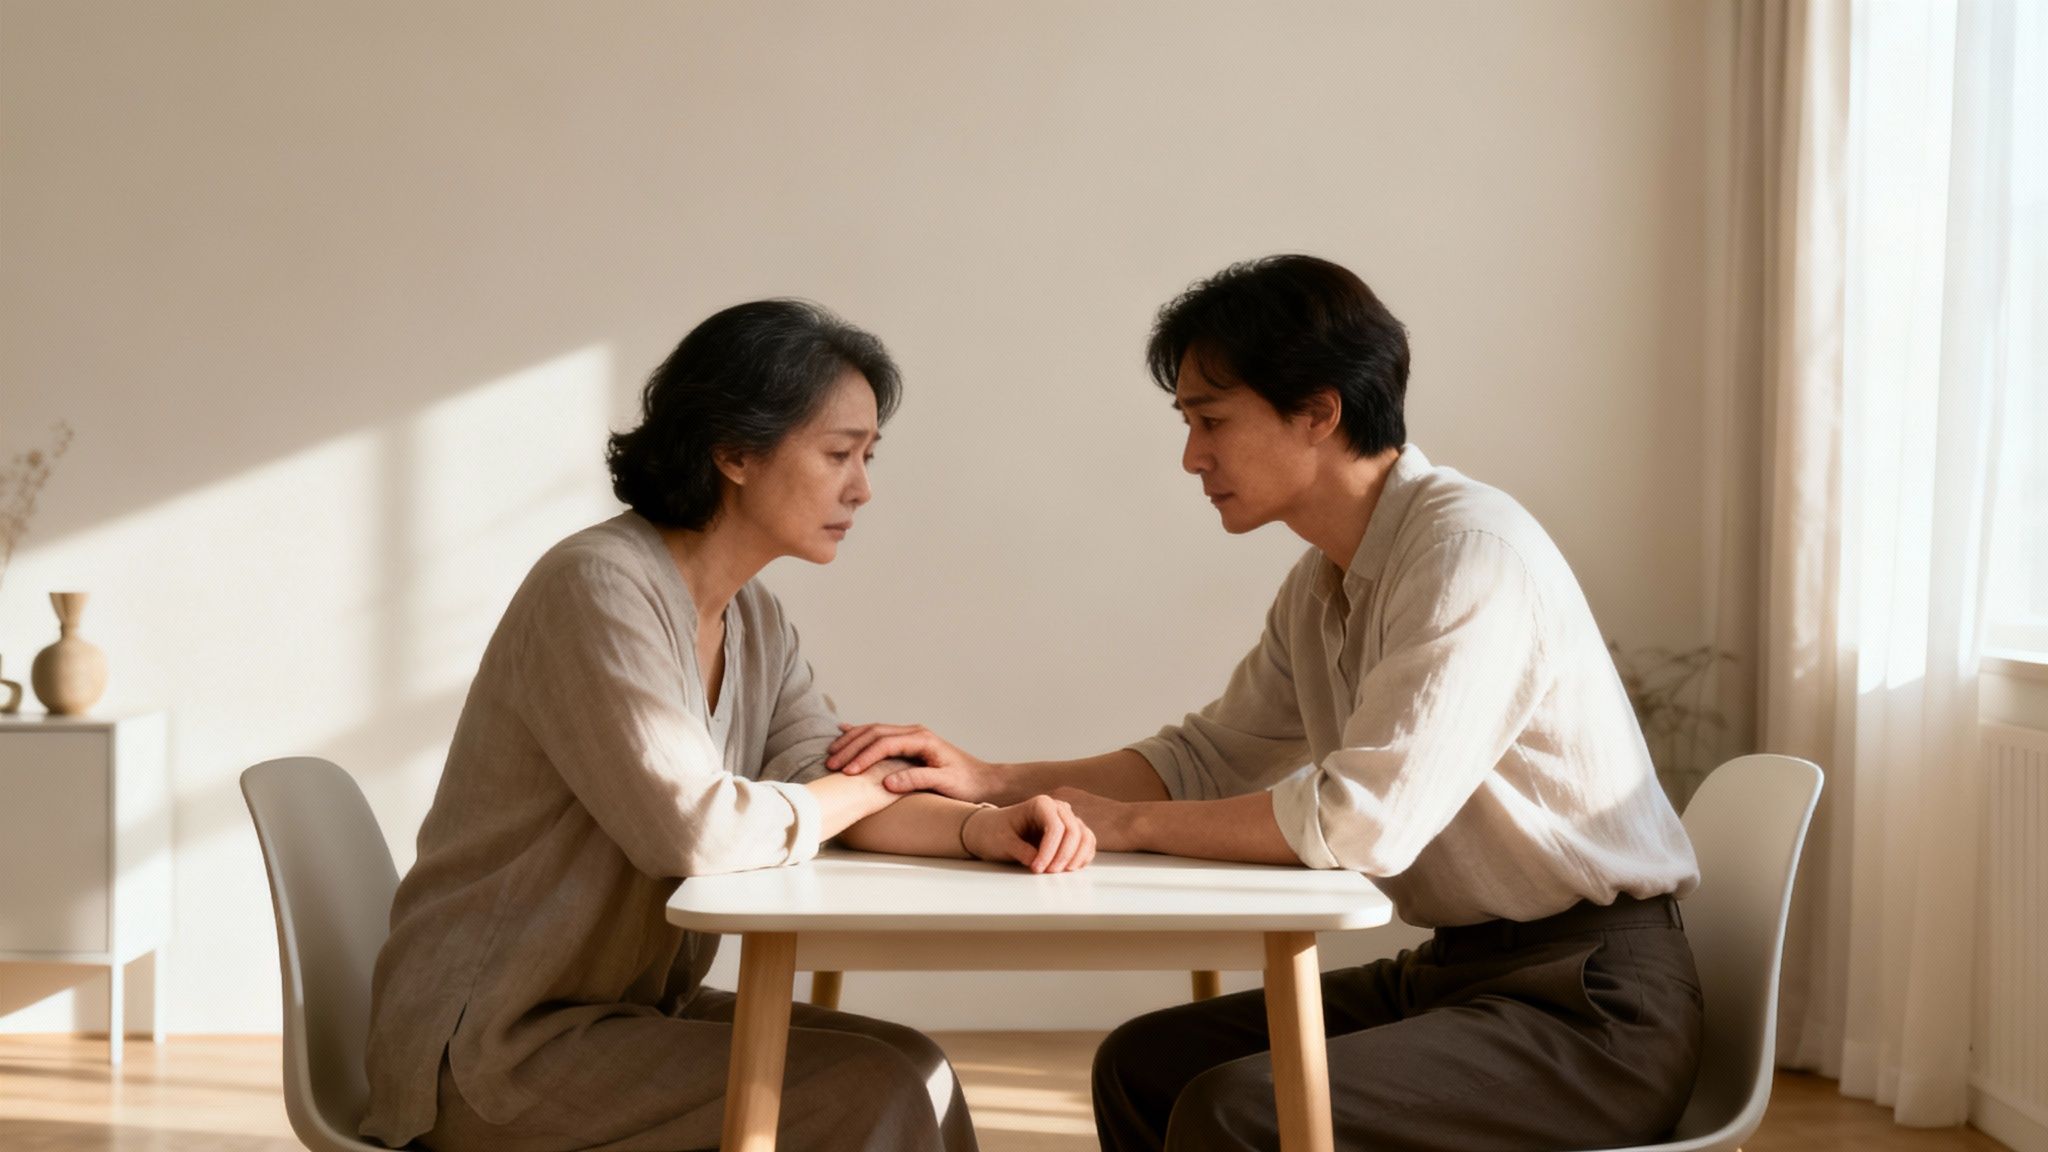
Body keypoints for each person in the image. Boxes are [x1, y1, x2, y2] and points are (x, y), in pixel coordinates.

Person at [828, 255, 1704, 1151]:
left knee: (1239, 1111)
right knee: (1144, 1065)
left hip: (1591, 1009)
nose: (1190, 456)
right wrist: (989, 777)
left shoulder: (1468, 556)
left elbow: (1362, 824)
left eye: (1210, 420)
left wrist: (1122, 825)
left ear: (1319, 411)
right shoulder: (1326, 580)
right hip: (1459, 975)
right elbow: (1204, 760)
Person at [358, 299, 1096, 1152]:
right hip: (491, 1047)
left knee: (912, 1063)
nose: (863, 486)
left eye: (867, 455)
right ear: (734, 451)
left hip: (623, 1013)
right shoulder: (596, 589)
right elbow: (696, 832)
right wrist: (852, 787)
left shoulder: (756, 622)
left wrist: (982, 828)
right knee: (869, 1089)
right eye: (838, 454)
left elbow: (829, 783)